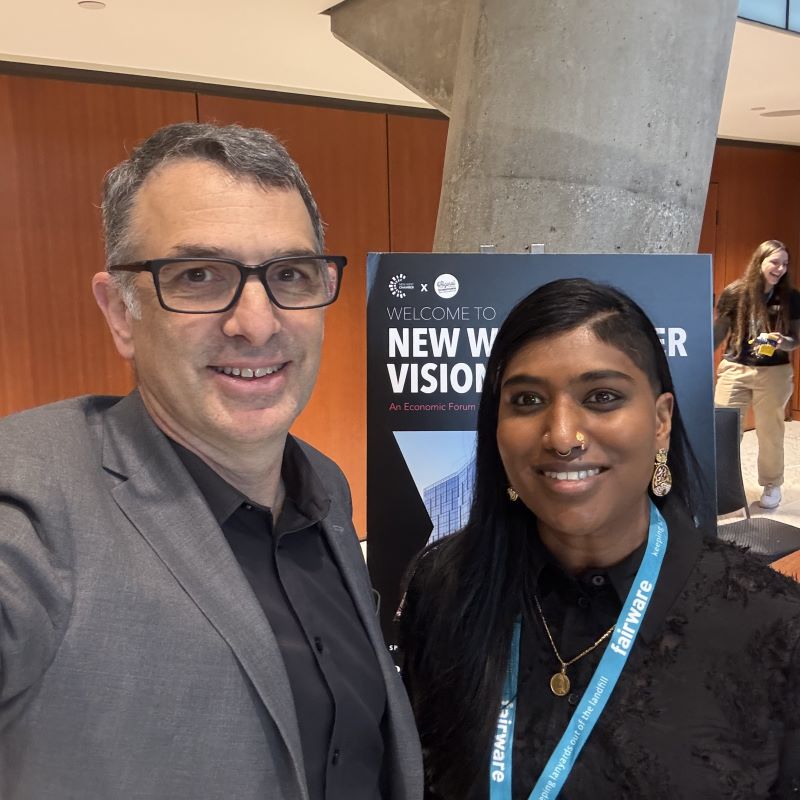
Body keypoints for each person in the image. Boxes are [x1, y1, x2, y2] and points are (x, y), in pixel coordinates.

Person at [0, 122, 422, 800]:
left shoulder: (325, 492)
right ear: (120, 312)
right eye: (199, 276)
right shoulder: (31, 499)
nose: (256, 323)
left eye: (289, 274)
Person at [398, 278, 800, 799]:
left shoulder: (771, 625)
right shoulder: (445, 587)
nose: (562, 436)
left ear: (660, 422)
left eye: (602, 397)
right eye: (526, 400)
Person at [713, 239, 799, 509]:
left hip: (774, 373)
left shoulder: (791, 298)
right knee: (723, 430)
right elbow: (719, 332)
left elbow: (795, 340)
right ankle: (720, 486)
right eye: (775, 262)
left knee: (769, 431)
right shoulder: (735, 293)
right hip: (735, 369)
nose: (780, 268)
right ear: (760, 261)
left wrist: (780, 341)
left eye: (785, 264)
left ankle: (772, 484)